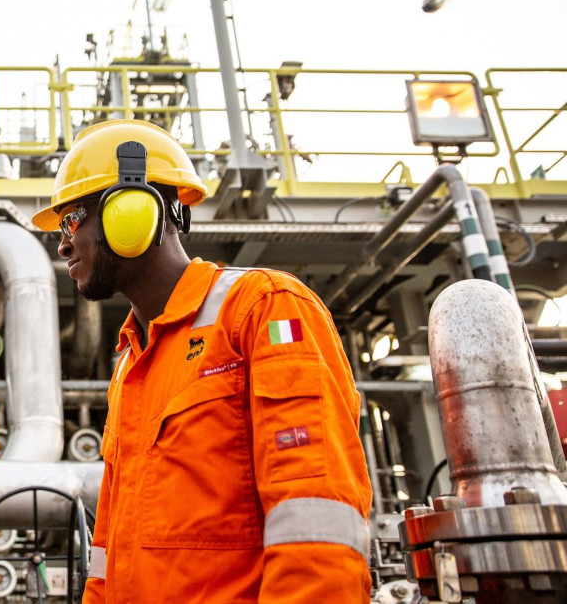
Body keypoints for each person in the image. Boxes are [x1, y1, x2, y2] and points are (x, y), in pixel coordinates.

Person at [30, 119, 372, 603]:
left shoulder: (263, 307)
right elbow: (110, 551)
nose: (63, 243)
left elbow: (315, 520)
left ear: (132, 210)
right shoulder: (131, 362)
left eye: (71, 220)